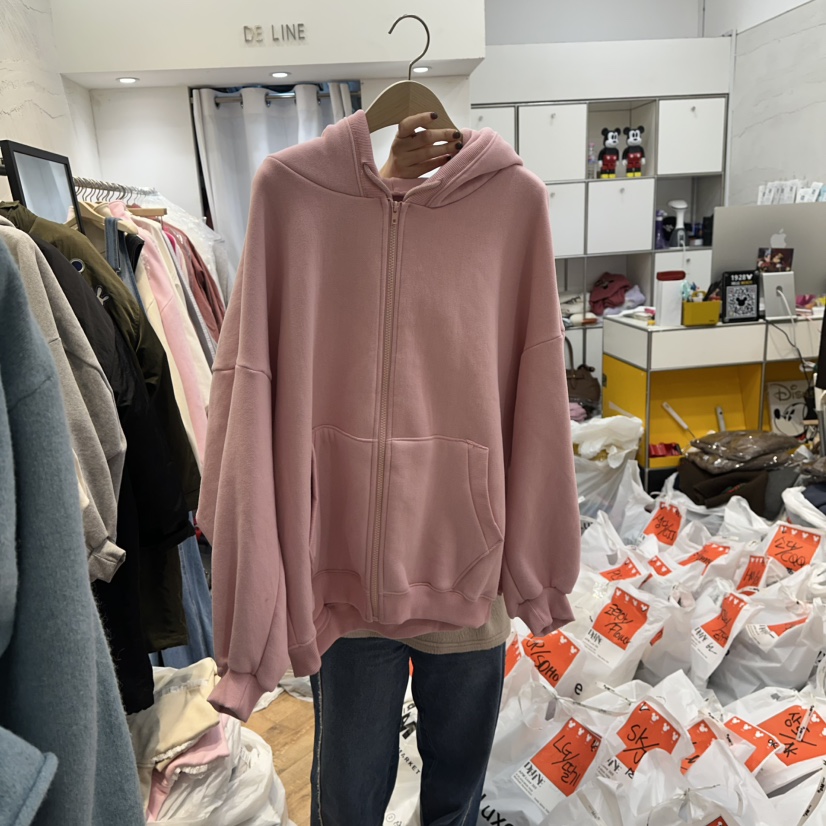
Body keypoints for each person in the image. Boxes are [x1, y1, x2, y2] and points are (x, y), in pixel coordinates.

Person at [309, 114, 506, 826]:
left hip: (466, 565)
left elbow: (537, 384)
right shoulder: (319, 221)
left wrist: (536, 571)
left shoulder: (505, 213)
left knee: (455, 798)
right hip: (350, 581)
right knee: (347, 801)